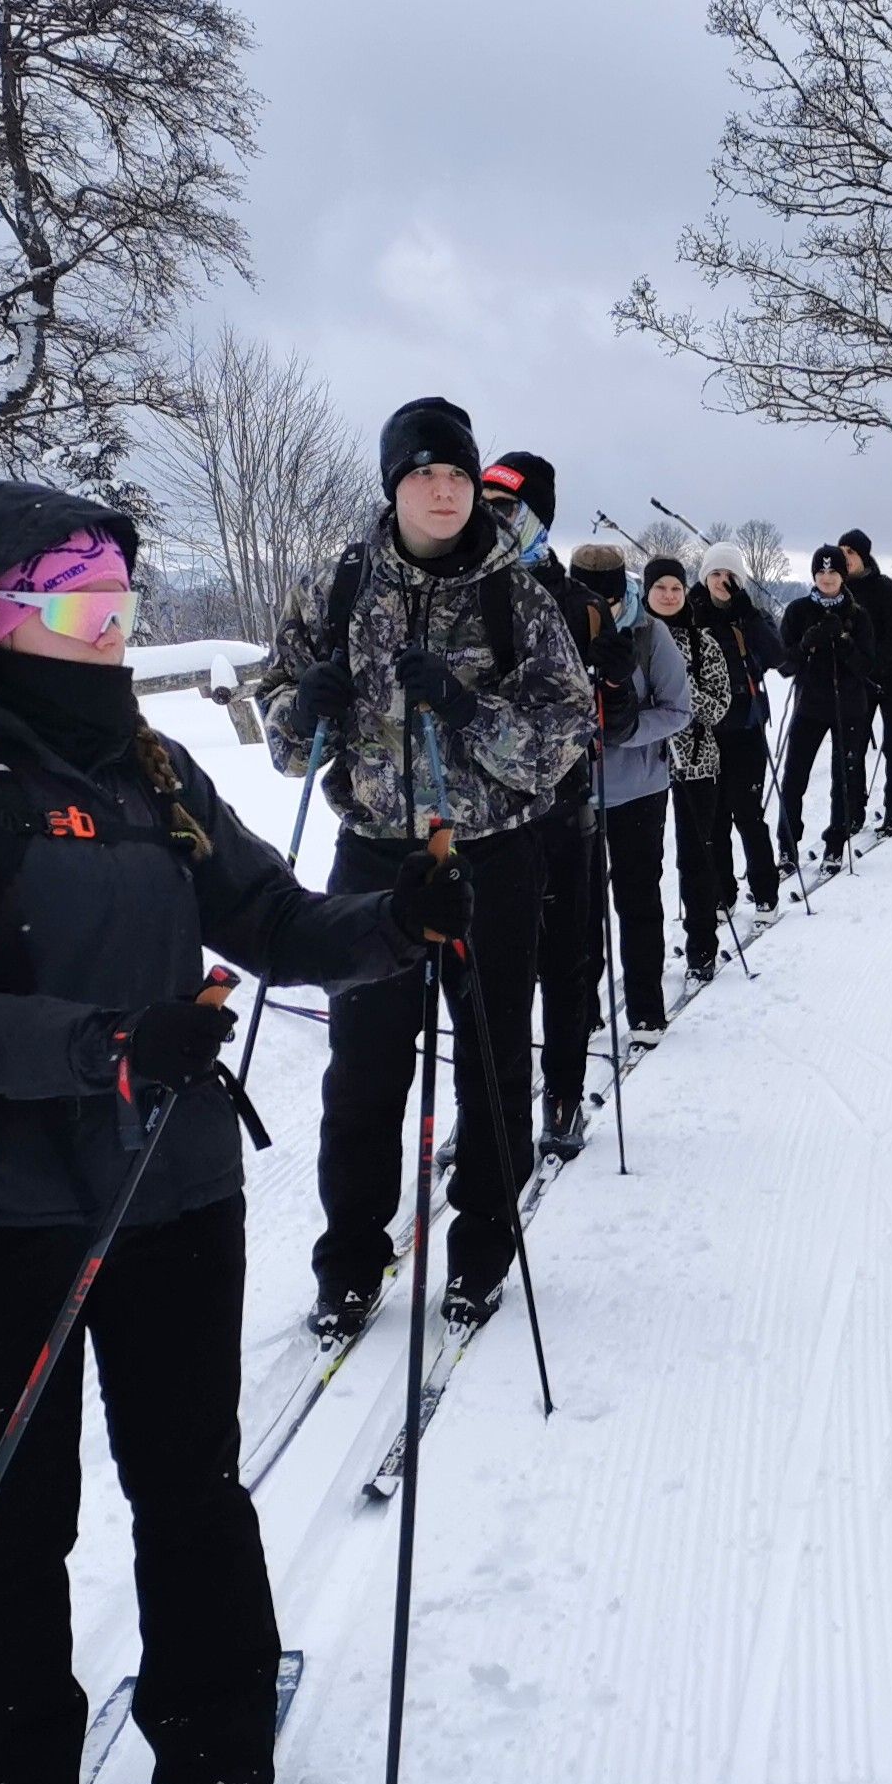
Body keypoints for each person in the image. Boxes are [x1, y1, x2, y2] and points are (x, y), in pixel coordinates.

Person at [0, 480, 468, 1784]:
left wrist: (389, 925)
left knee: (186, 1481)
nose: (110, 626)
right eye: (77, 600)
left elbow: (271, 916)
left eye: (121, 599)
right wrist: (105, 1047)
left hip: (171, 1194)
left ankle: (214, 1749)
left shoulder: (152, 766)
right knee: (7, 1509)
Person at [263, 396, 590, 1343]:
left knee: (490, 1060)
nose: (442, 492)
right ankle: (349, 1262)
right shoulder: (336, 587)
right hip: (371, 856)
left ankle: (483, 1247)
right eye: (422, 475)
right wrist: (303, 708)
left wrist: (467, 710)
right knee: (361, 1071)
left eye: (455, 474)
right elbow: (283, 741)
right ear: (392, 485)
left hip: (490, 855)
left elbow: (562, 735)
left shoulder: (516, 592)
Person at [479, 451, 617, 1160]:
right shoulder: (464, 592)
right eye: (489, 504)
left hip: (563, 810)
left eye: (509, 508)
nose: (495, 518)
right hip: (484, 816)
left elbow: (612, 702)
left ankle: (562, 1093)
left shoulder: (578, 606)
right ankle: (493, 1111)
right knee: (492, 971)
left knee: (566, 959)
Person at [567, 542, 682, 1041]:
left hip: (637, 788)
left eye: (606, 599)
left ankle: (645, 1008)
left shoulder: (648, 632)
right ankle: (580, 1008)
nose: (597, 610)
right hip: (572, 791)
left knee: (636, 900)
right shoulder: (550, 626)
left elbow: (678, 708)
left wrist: (625, 729)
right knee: (577, 909)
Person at [641, 555, 734, 985]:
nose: (668, 595)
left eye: (675, 588)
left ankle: (702, 946)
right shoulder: (632, 640)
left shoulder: (703, 643)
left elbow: (718, 707)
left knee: (697, 857)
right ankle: (646, 962)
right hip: (643, 768)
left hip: (697, 762)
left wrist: (681, 687)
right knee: (645, 868)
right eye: (660, 588)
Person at [690, 543, 785, 914]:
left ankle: (765, 893)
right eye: (714, 573)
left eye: (728, 575)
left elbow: (778, 657)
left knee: (747, 813)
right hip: (706, 730)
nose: (721, 581)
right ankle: (721, 894)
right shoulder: (690, 615)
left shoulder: (750, 615)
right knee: (713, 820)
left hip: (746, 728)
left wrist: (750, 618)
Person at [777, 546, 877, 872]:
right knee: (794, 777)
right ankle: (787, 846)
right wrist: (807, 643)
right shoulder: (798, 611)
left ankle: (836, 842)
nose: (827, 578)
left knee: (844, 777)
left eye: (833, 573)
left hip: (849, 707)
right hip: (810, 705)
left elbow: (867, 665)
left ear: (842, 576)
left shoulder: (858, 614)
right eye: (821, 573)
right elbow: (784, 665)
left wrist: (844, 643)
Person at [835, 528, 892, 833]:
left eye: (850, 553)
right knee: (852, 747)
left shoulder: (888, 591)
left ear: (863, 555)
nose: (845, 559)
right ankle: (853, 812)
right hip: (856, 683)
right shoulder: (836, 595)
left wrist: (870, 661)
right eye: (841, 553)